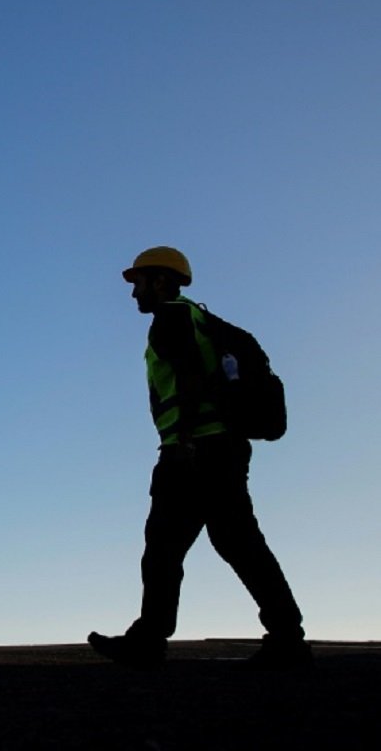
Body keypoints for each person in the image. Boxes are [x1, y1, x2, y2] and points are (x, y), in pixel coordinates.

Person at [88, 247, 310, 669]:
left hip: (195, 450)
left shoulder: (171, 319)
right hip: (221, 448)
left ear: (161, 281)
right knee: (235, 544)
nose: (134, 292)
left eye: (139, 281)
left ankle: (149, 641)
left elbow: (190, 376)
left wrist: (185, 442)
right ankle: (287, 638)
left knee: (166, 550)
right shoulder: (202, 320)